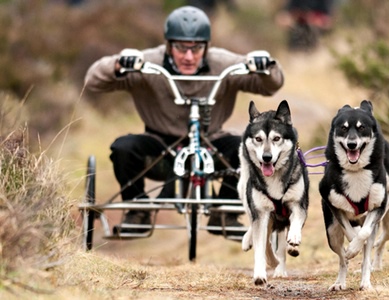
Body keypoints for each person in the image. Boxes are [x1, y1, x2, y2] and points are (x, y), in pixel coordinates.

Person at [84, 6, 284, 236]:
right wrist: (119, 64)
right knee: (123, 148)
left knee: (247, 147)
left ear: (206, 46)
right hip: (159, 145)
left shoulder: (224, 64)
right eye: (180, 48)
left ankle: (224, 214)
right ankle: (137, 210)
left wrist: (264, 65)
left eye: (196, 48)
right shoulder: (148, 63)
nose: (188, 56)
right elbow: (93, 80)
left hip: (211, 143)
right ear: (169, 45)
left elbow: (273, 85)